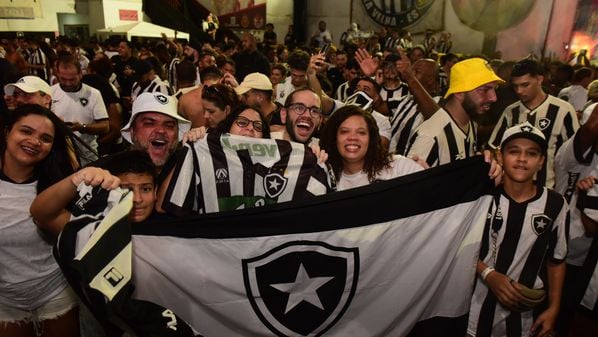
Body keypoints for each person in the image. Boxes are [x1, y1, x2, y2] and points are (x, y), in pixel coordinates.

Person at [468, 122, 568, 337]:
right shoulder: (484, 196)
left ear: (541, 162)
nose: (522, 159)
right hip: (475, 310)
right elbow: (459, 248)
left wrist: (554, 309)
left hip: (524, 319)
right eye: (514, 151)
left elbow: (556, 260)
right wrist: (488, 274)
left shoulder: (555, 204)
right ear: (501, 156)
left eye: (531, 153)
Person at [0, 104, 80, 337]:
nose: (35, 141)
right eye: (26, 131)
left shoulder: (57, 185)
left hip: (55, 292)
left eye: (45, 138)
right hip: (5, 299)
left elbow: (75, 236)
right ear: (7, 132)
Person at [488, 59, 579, 188]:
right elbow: (494, 146)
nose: (519, 91)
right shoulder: (510, 111)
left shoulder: (563, 110)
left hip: (549, 189)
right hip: (512, 190)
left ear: (540, 79)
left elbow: (574, 153)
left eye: (525, 85)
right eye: (515, 86)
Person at [406, 57, 504, 167]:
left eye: (494, 89)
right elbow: (407, 182)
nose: (493, 98)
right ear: (459, 93)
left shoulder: (470, 124)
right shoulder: (430, 137)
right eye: (484, 90)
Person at [319, 105, 423, 190]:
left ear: (371, 139)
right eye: (344, 131)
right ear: (334, 137)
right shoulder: (325, 178)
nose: (352, 138)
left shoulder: (400, 167)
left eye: (361, 132)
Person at [51, 54, 110, 165]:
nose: (68, 83)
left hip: (87, 156)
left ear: (80, 74)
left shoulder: (94, 94)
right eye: (63, 79)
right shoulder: (50, 93)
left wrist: (82, 127)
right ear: (57, 74)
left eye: (72, 79)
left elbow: (105, 126)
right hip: (58, 157)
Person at [121, 92, 191, 171]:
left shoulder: (189, 172)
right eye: (149, 123)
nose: (161, 130)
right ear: (132, 131)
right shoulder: (110, 173)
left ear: (177, 134)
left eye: (169, 126)